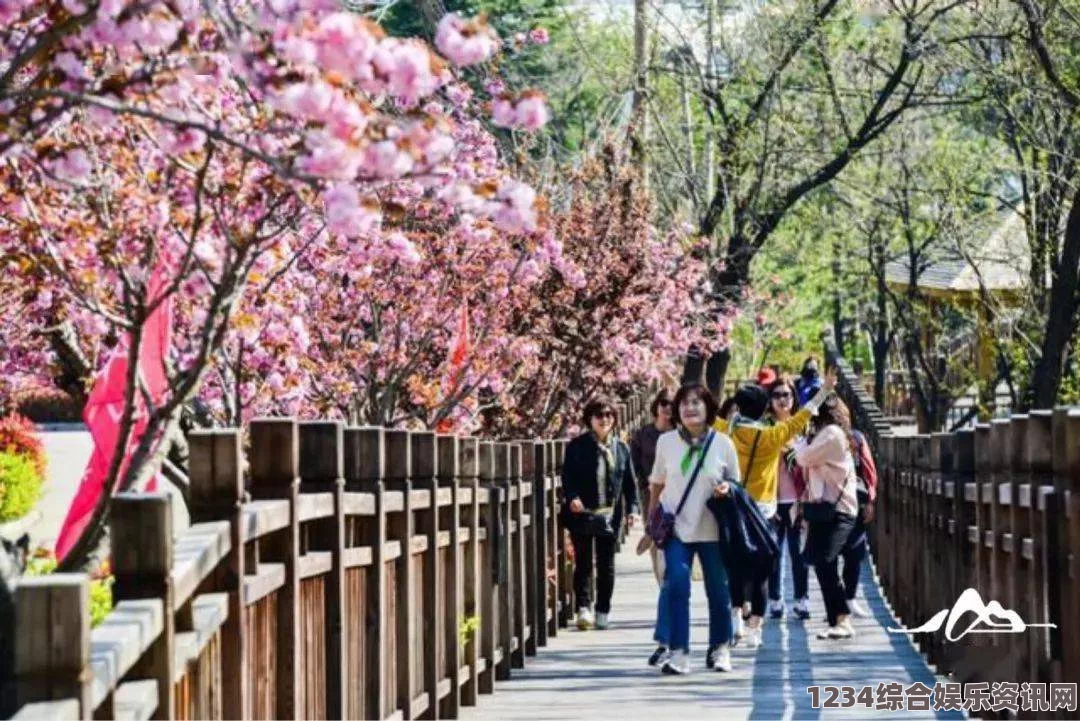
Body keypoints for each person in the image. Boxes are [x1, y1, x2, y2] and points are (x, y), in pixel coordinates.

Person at [714, 369, 836, 648]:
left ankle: (736, 618)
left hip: (733, 506)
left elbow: (710, 418)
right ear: (764, 408)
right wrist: (825, 389)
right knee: (761, 568)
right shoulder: (774, 435)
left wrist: (677, 386)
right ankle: (755, 627)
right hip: (764, 511)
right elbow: (803, 416)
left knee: (735, 565)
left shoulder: (727, 433)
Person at [649, 384, 741, 674]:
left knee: (719, 590)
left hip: (713, 528)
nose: (689, 408)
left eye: (696, 403)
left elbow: (737, 484)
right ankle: (679, 651)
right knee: (676, 583)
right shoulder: (665, 442)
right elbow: (657, 483)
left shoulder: (723, 443)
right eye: (684, 403)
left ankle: (720, 647)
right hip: (677, 527)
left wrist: (728, 488)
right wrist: (651, 524)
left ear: (708, 408)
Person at [562, 397, 640, 630]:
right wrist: (572, 497)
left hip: (610, 514)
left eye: (608, 415)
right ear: (590, 419)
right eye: (599, 415)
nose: (604, 420)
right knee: (583, 562)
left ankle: (603, 610)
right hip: (583, 513)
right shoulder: (577, 446)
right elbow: (568, 477)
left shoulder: (621, 448)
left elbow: (630, 483)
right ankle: (583, 608)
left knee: (606, 565)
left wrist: (633, 509)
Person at [795, 396, 860, 639]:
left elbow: (803, 457)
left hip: (839, 509)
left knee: (825, 560)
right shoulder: (831, 433)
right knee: (823, 564)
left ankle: (842, 618)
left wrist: (800, 444)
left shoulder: (831, 434)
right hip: (826, 508)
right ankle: (838, 621)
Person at [765, 376, 811, 621]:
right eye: (777, 395)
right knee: (774, 552)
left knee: (797, 552)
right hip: (771, 500)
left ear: (794, 399)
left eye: (787, 395)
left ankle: (802, 599)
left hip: (796, 499)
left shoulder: (802, 428)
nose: (782, 400)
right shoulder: (766, 429)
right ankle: (775, 599)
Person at [841, 427, 878, 618]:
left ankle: (850, 598)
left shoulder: (856, 438)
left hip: (857, 500)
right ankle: (837, 603)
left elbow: (868, 469)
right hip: (829, 502)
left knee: (854, 552)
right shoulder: (818, 438)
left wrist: (870, 500)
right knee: (827, 558)